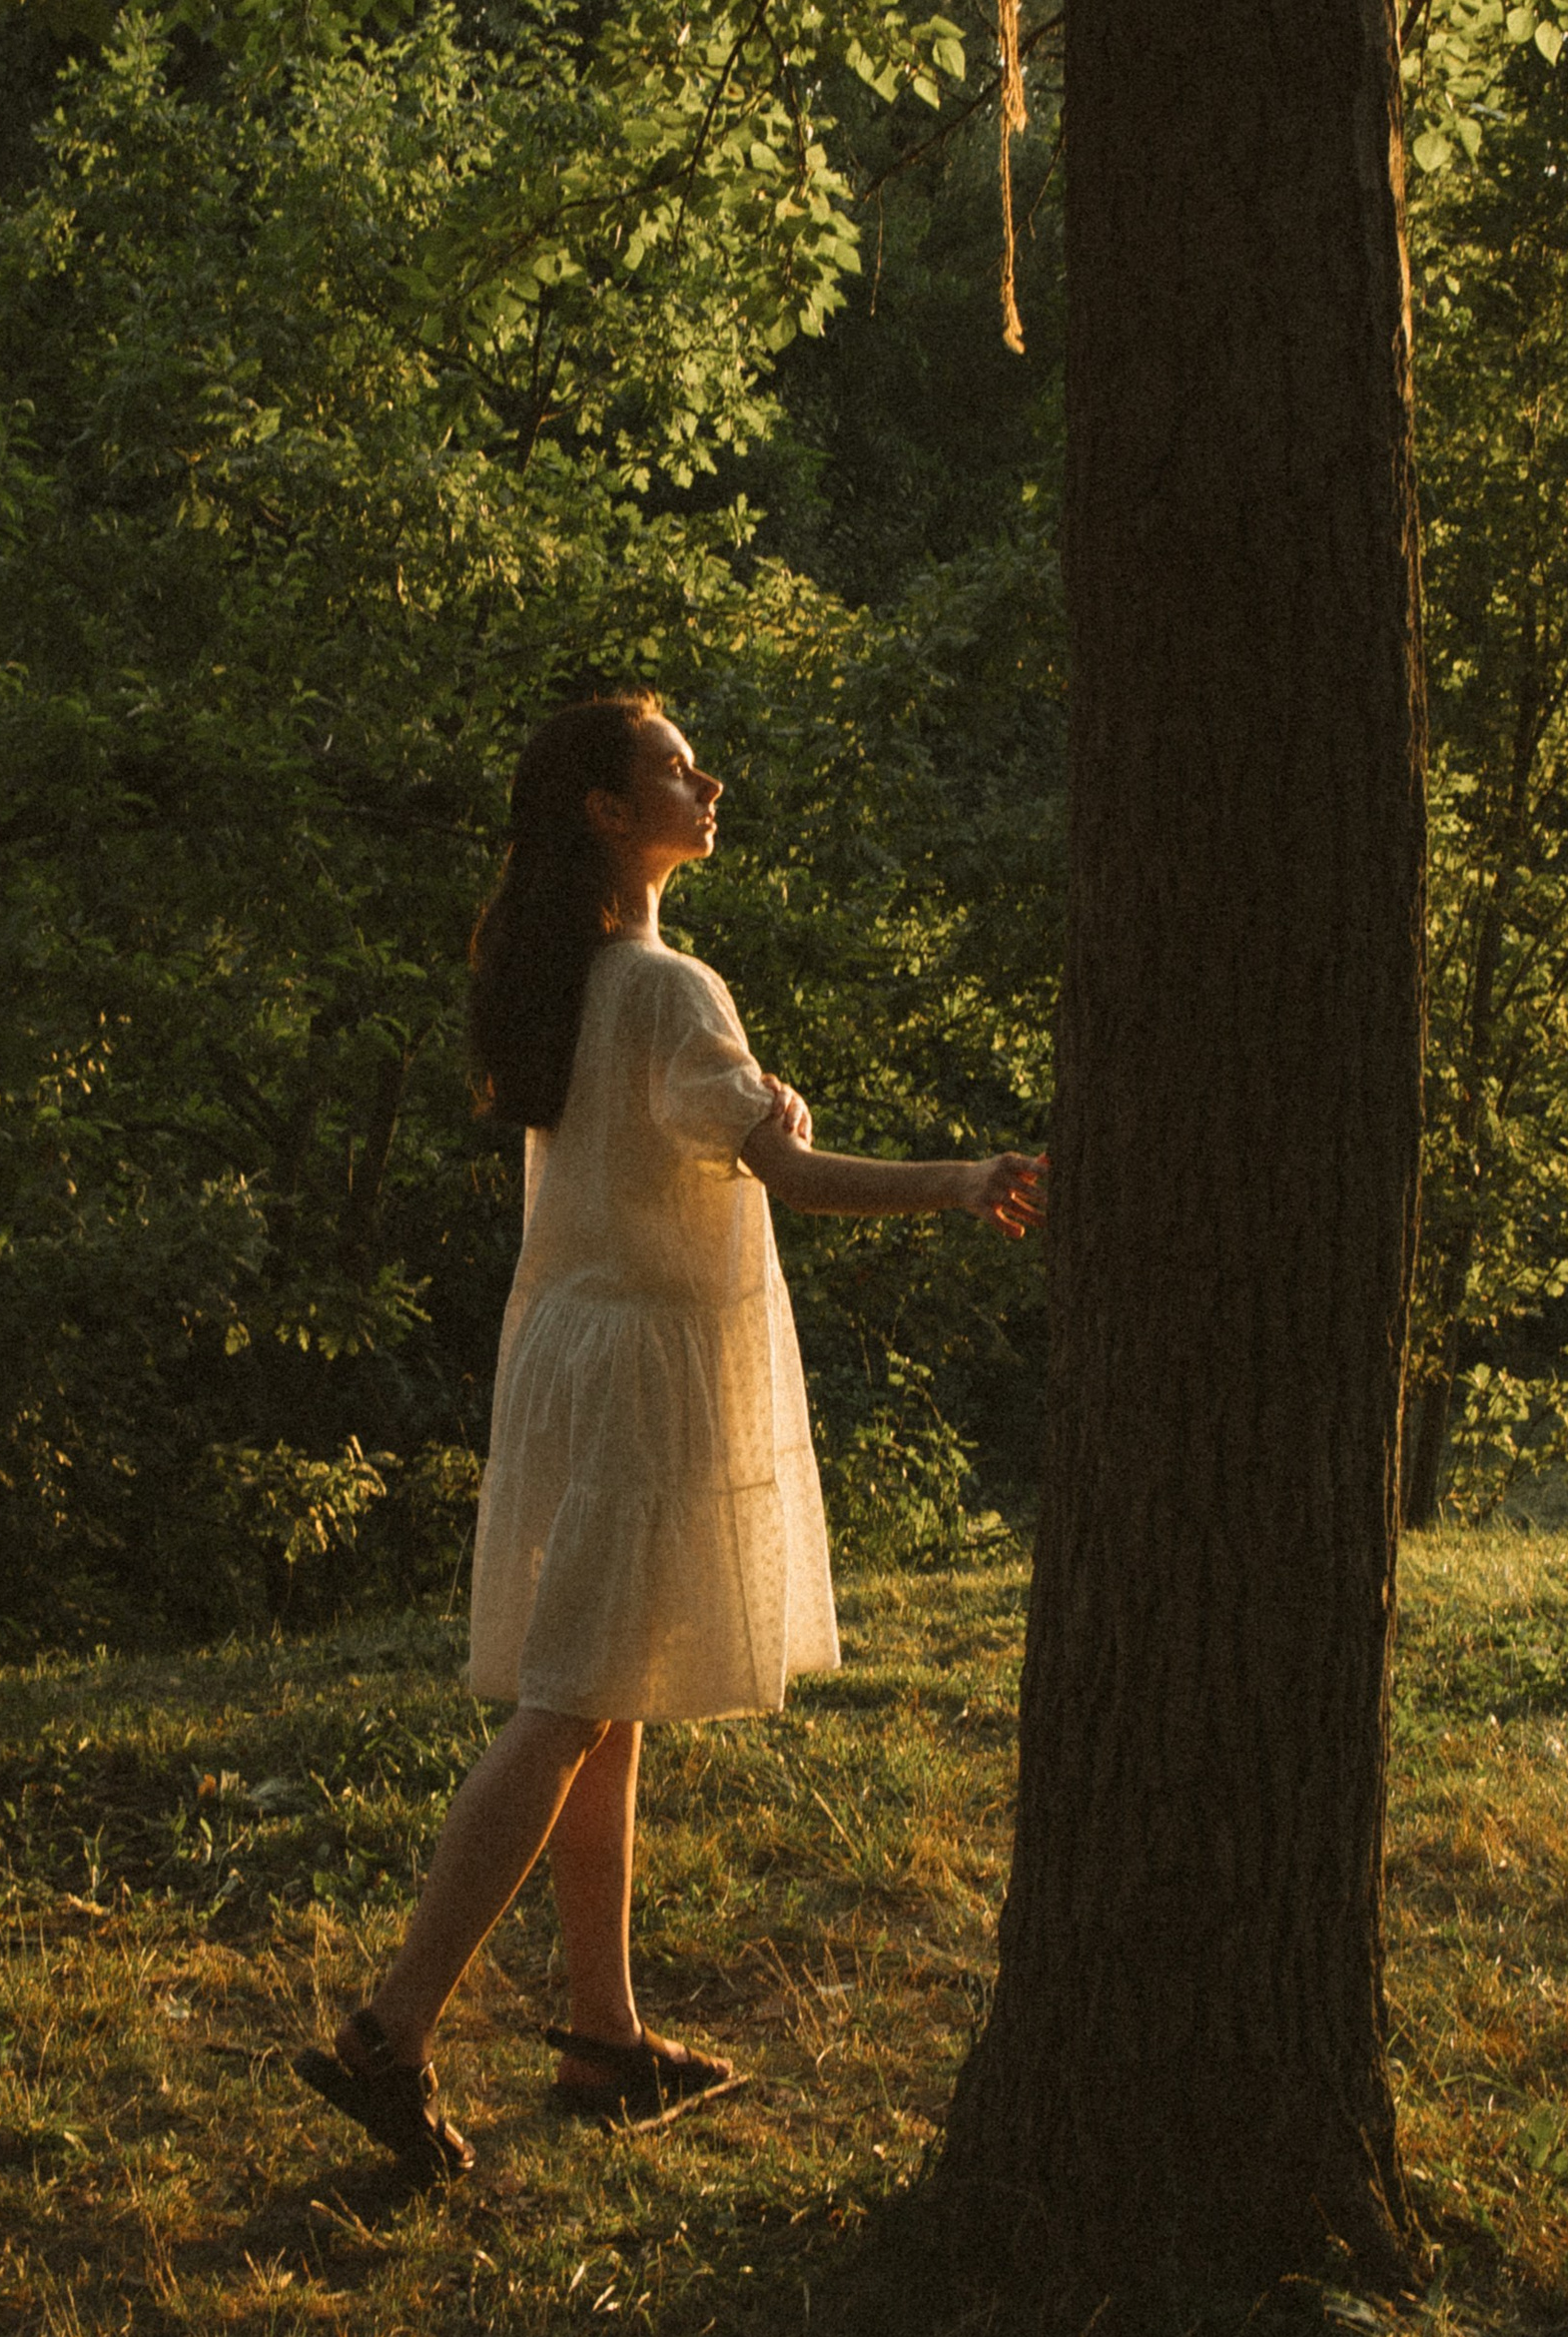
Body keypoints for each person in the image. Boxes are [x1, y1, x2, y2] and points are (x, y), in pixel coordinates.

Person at [295, 689, 1045, 2179]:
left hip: (572, 1348)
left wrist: (781, 1130)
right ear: (606, 811)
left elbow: (701, 1149)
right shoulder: (664, 983)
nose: (711, 783)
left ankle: (605, 2034)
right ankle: (391, 2032)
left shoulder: (561, 977)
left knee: (604, 1697)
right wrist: (965, 1181)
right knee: (572, 1701)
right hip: (640, 1362)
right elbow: (790, 1177)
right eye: (675, 769)